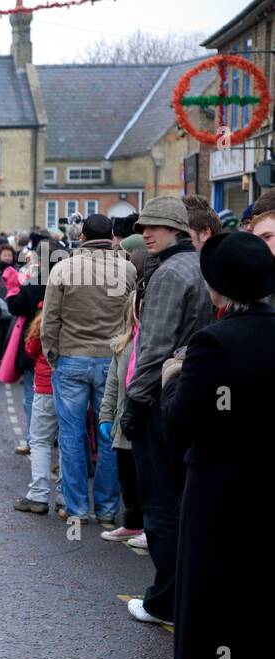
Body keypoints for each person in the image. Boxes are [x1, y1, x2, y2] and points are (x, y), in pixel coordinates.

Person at [160, 231, 274, 659]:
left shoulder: (215, 343)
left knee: (224, 601)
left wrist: (170, 382)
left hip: (225, 491)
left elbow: (182, 423)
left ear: (220, 289)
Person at [121, 198, 214, 625]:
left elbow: (153, 347)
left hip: (162, 397)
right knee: (185, 503)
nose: (149, 233)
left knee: (160, 506)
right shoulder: (199, 265)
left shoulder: (168, 274)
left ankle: (163, 601)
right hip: (193, 392)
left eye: (157, 226)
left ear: (177, 230)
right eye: (146, 226)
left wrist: (134, 405)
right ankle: (185, 598)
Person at [42, 213, 136, 525]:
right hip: (112, 358)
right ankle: (107, 509)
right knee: (109, 432)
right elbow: (134, 316)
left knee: (70, 435)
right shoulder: (127, 269)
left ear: (81, 236)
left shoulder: (63, 267)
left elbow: (50, 318)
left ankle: (76, 507)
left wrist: (53, 354)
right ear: (112, 236)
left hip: (72, 357)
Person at [96, 289, 144, 545]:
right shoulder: (122, 344)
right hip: (123, 422)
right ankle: (132, 522)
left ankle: (148, 525)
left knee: (145, 476)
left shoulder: (152, 343)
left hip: (143, 422)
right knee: (127, 475)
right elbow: (112, 385)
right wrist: (105, 416)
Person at [13, 308, 60, 514]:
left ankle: (38, 496)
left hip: (45, 386)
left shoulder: (47, 318)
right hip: (73, 387)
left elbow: (31, 349)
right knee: (70, 441)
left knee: (40, 441)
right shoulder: (84, 315)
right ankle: (65, 498)